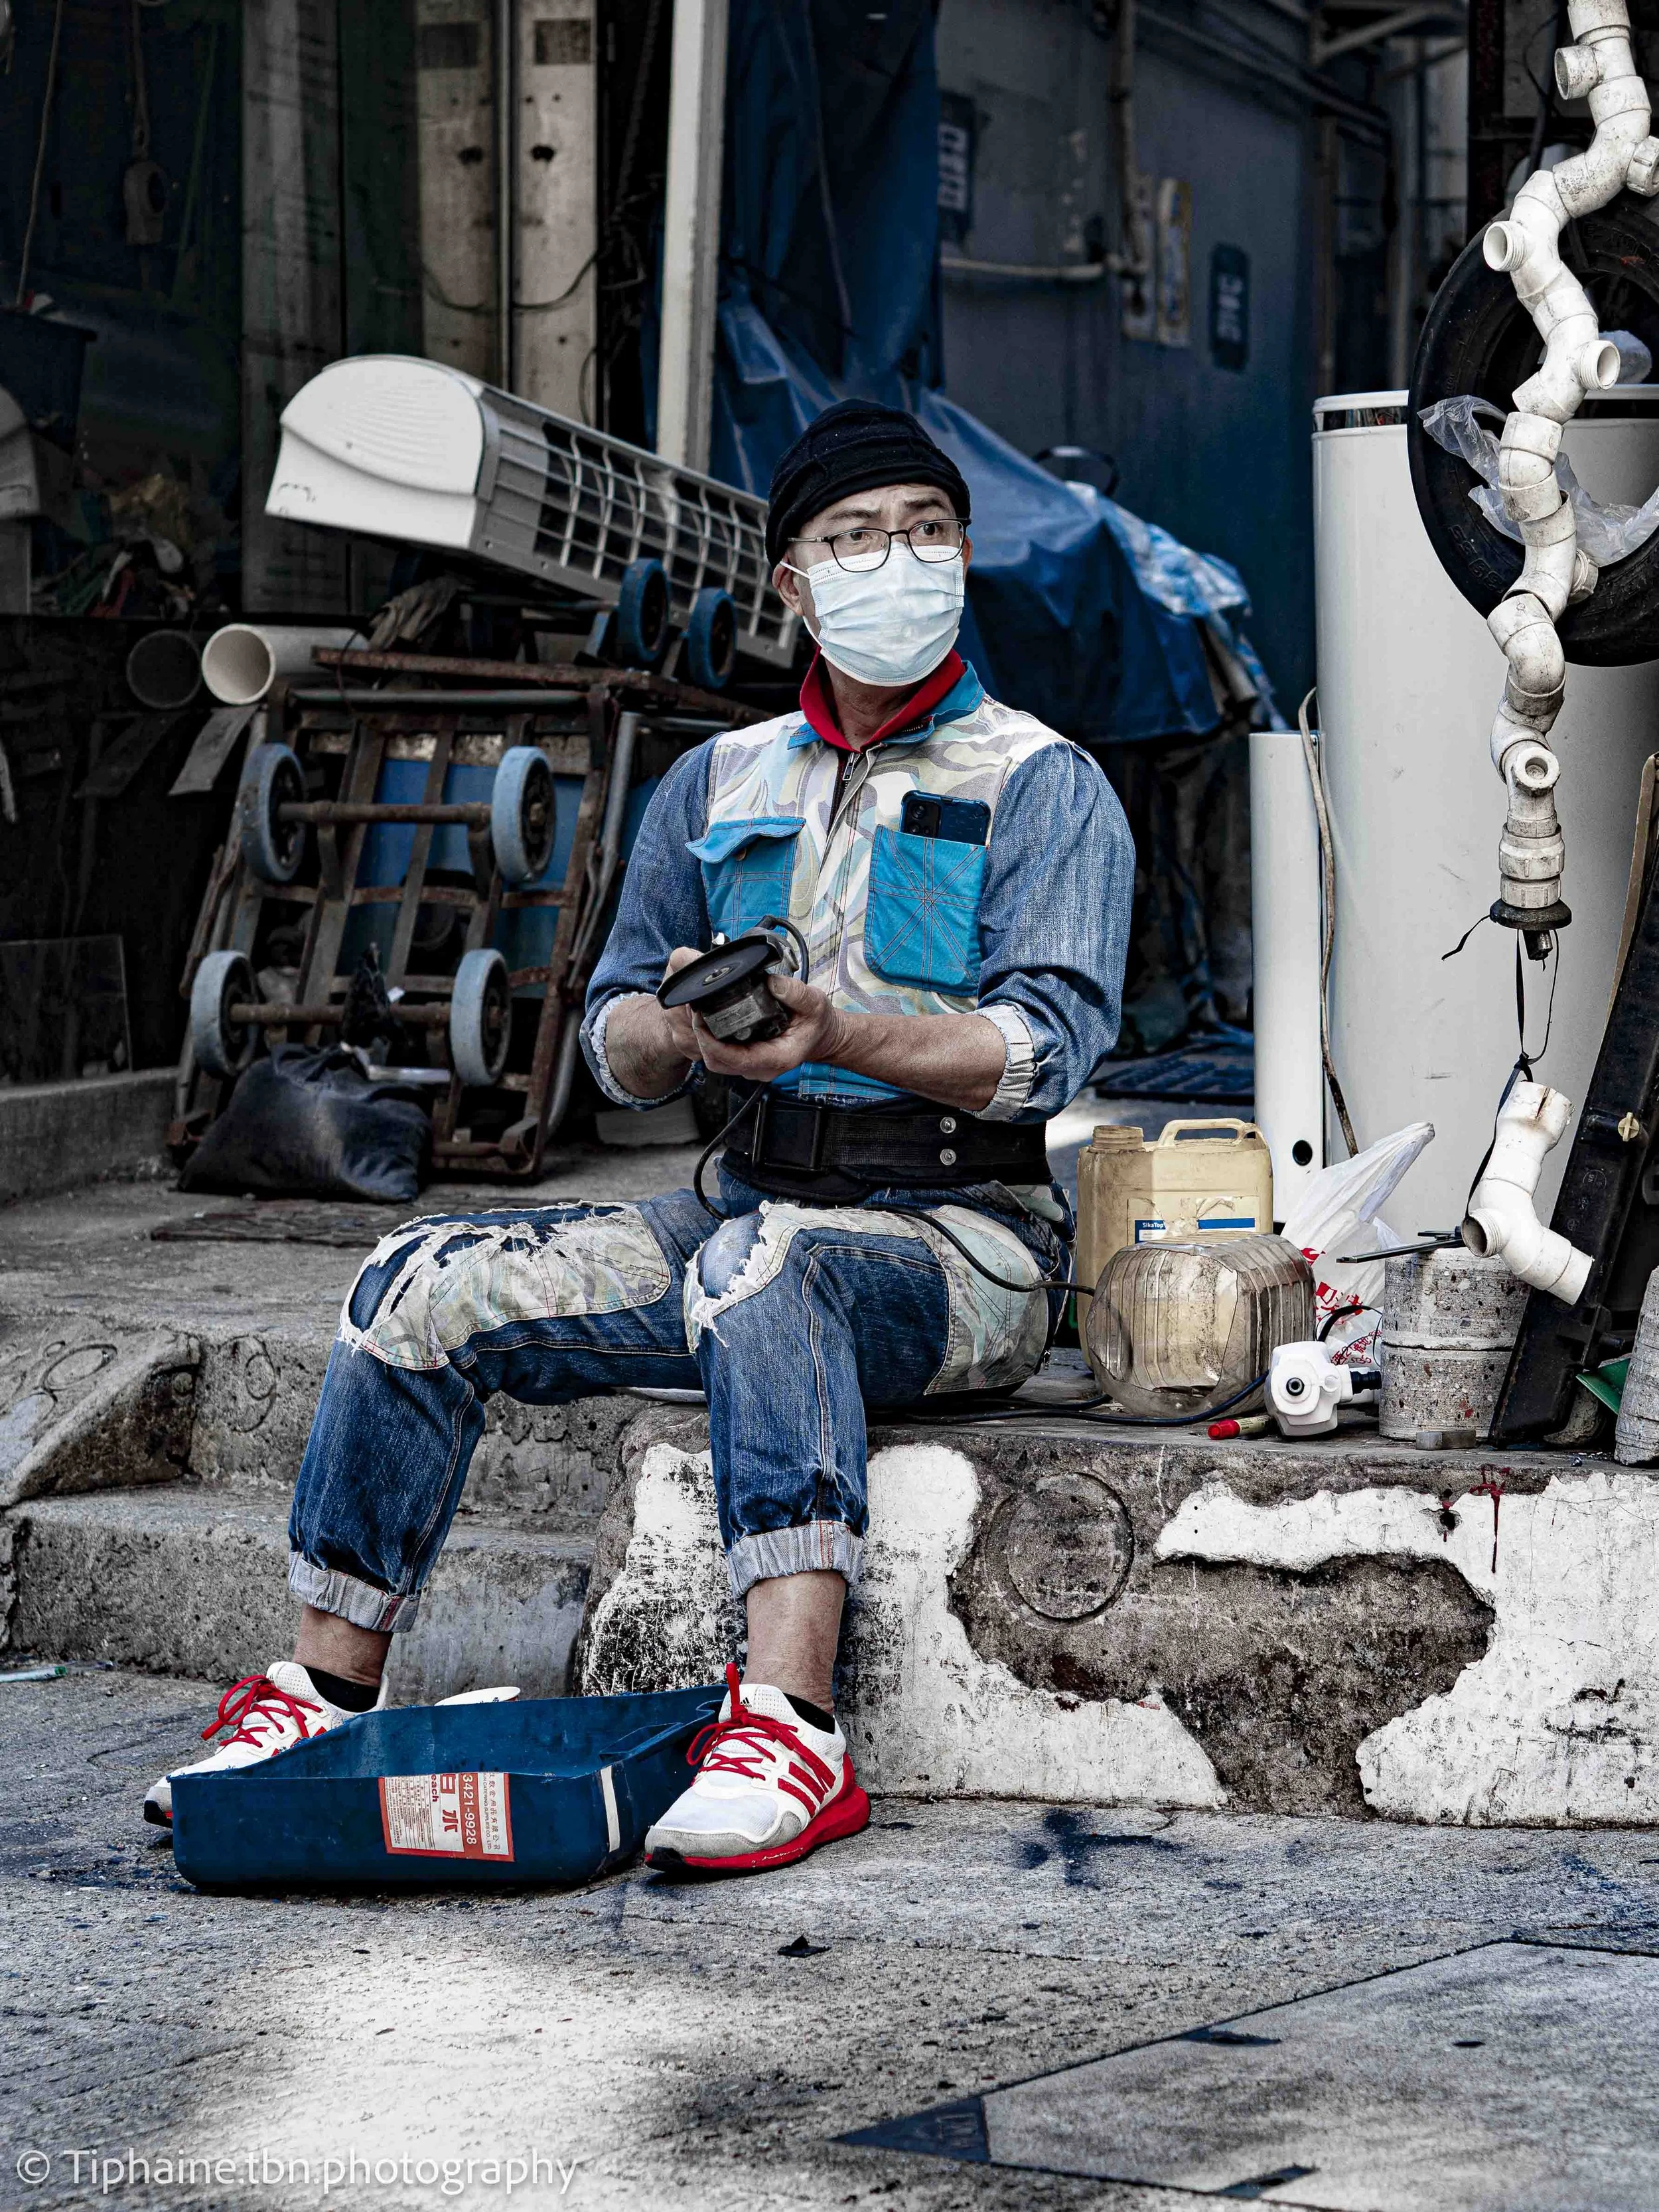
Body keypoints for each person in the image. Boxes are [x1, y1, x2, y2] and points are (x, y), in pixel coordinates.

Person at [145, 400, 1135, 1876]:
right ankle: (319, 1687)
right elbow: (608, 1042)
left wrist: (837, 1033)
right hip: (743, 1202)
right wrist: (680, 1027)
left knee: (769, 1271)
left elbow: (1039, 1053)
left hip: (962, 1248)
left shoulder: (1037, 780)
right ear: (791, 586)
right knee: (416, 1278)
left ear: (962, 561)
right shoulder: (712, 782)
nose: (898, 560)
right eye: (855, 539)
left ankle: (791, 1722)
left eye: (926, 533)